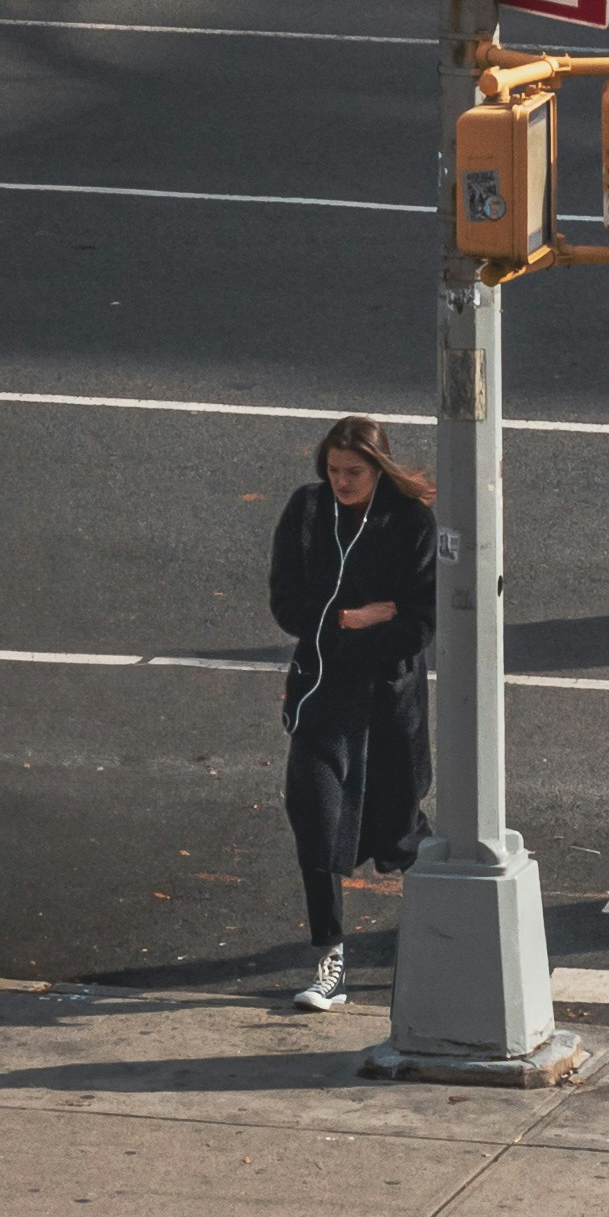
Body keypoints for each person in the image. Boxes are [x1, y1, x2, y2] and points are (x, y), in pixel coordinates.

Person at [265, 414, 437, 1012]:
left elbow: (417, 622)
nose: (341, 481)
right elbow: (286, 604)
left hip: (386, 704)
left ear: (378, 468)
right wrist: (354, 617)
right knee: (314, 819)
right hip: (320, 697)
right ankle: (329, 955)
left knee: (397, 830)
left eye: (354, 472)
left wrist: (355, 631)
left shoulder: (410, 522)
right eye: (334, 470)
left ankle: (440, 931)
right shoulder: (307, 512)